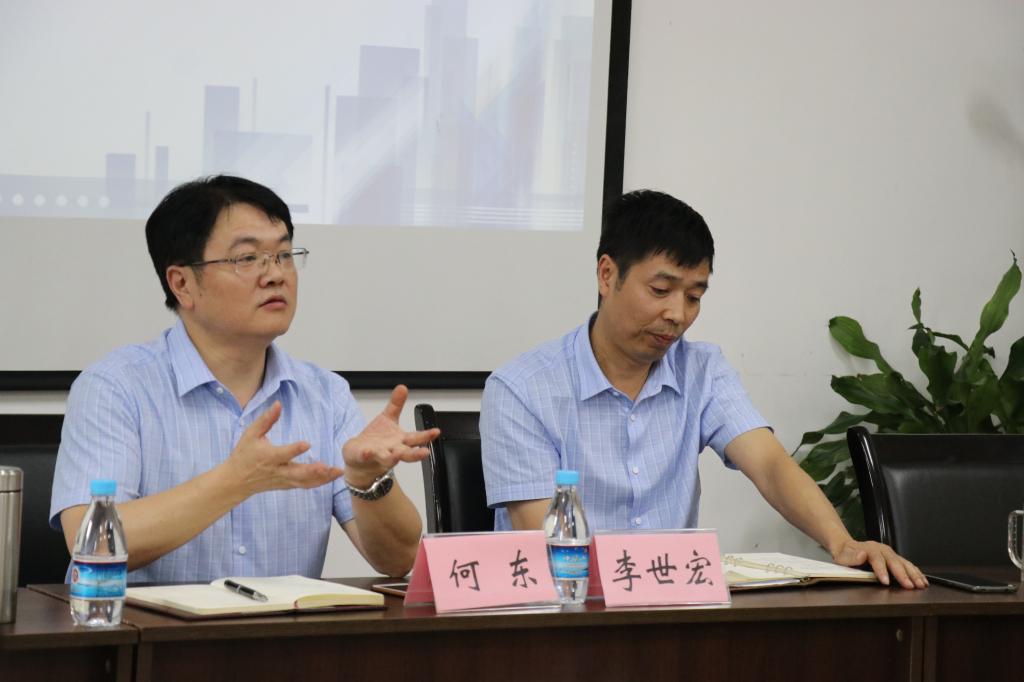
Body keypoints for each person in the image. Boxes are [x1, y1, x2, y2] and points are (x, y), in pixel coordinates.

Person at [481, 189, 927, 589]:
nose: (677, 314)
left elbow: (769, 463)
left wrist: (842, 542)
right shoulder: (521, 390)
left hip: (672, 616)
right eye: (661, 290)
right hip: (565, 618)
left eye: (694, 297)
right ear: (607, 274)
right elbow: (549, 543)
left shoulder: (702, 369)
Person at [50, 175, 438, 582]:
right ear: (182, 284)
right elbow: (92, 542)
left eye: (284, 254)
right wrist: (236, 481)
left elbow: (399, 559)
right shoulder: (116, 388)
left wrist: (367, 481)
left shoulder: (326, 395)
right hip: (138, 624)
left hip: (282, 625)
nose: (276, 275)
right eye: (247, 258)